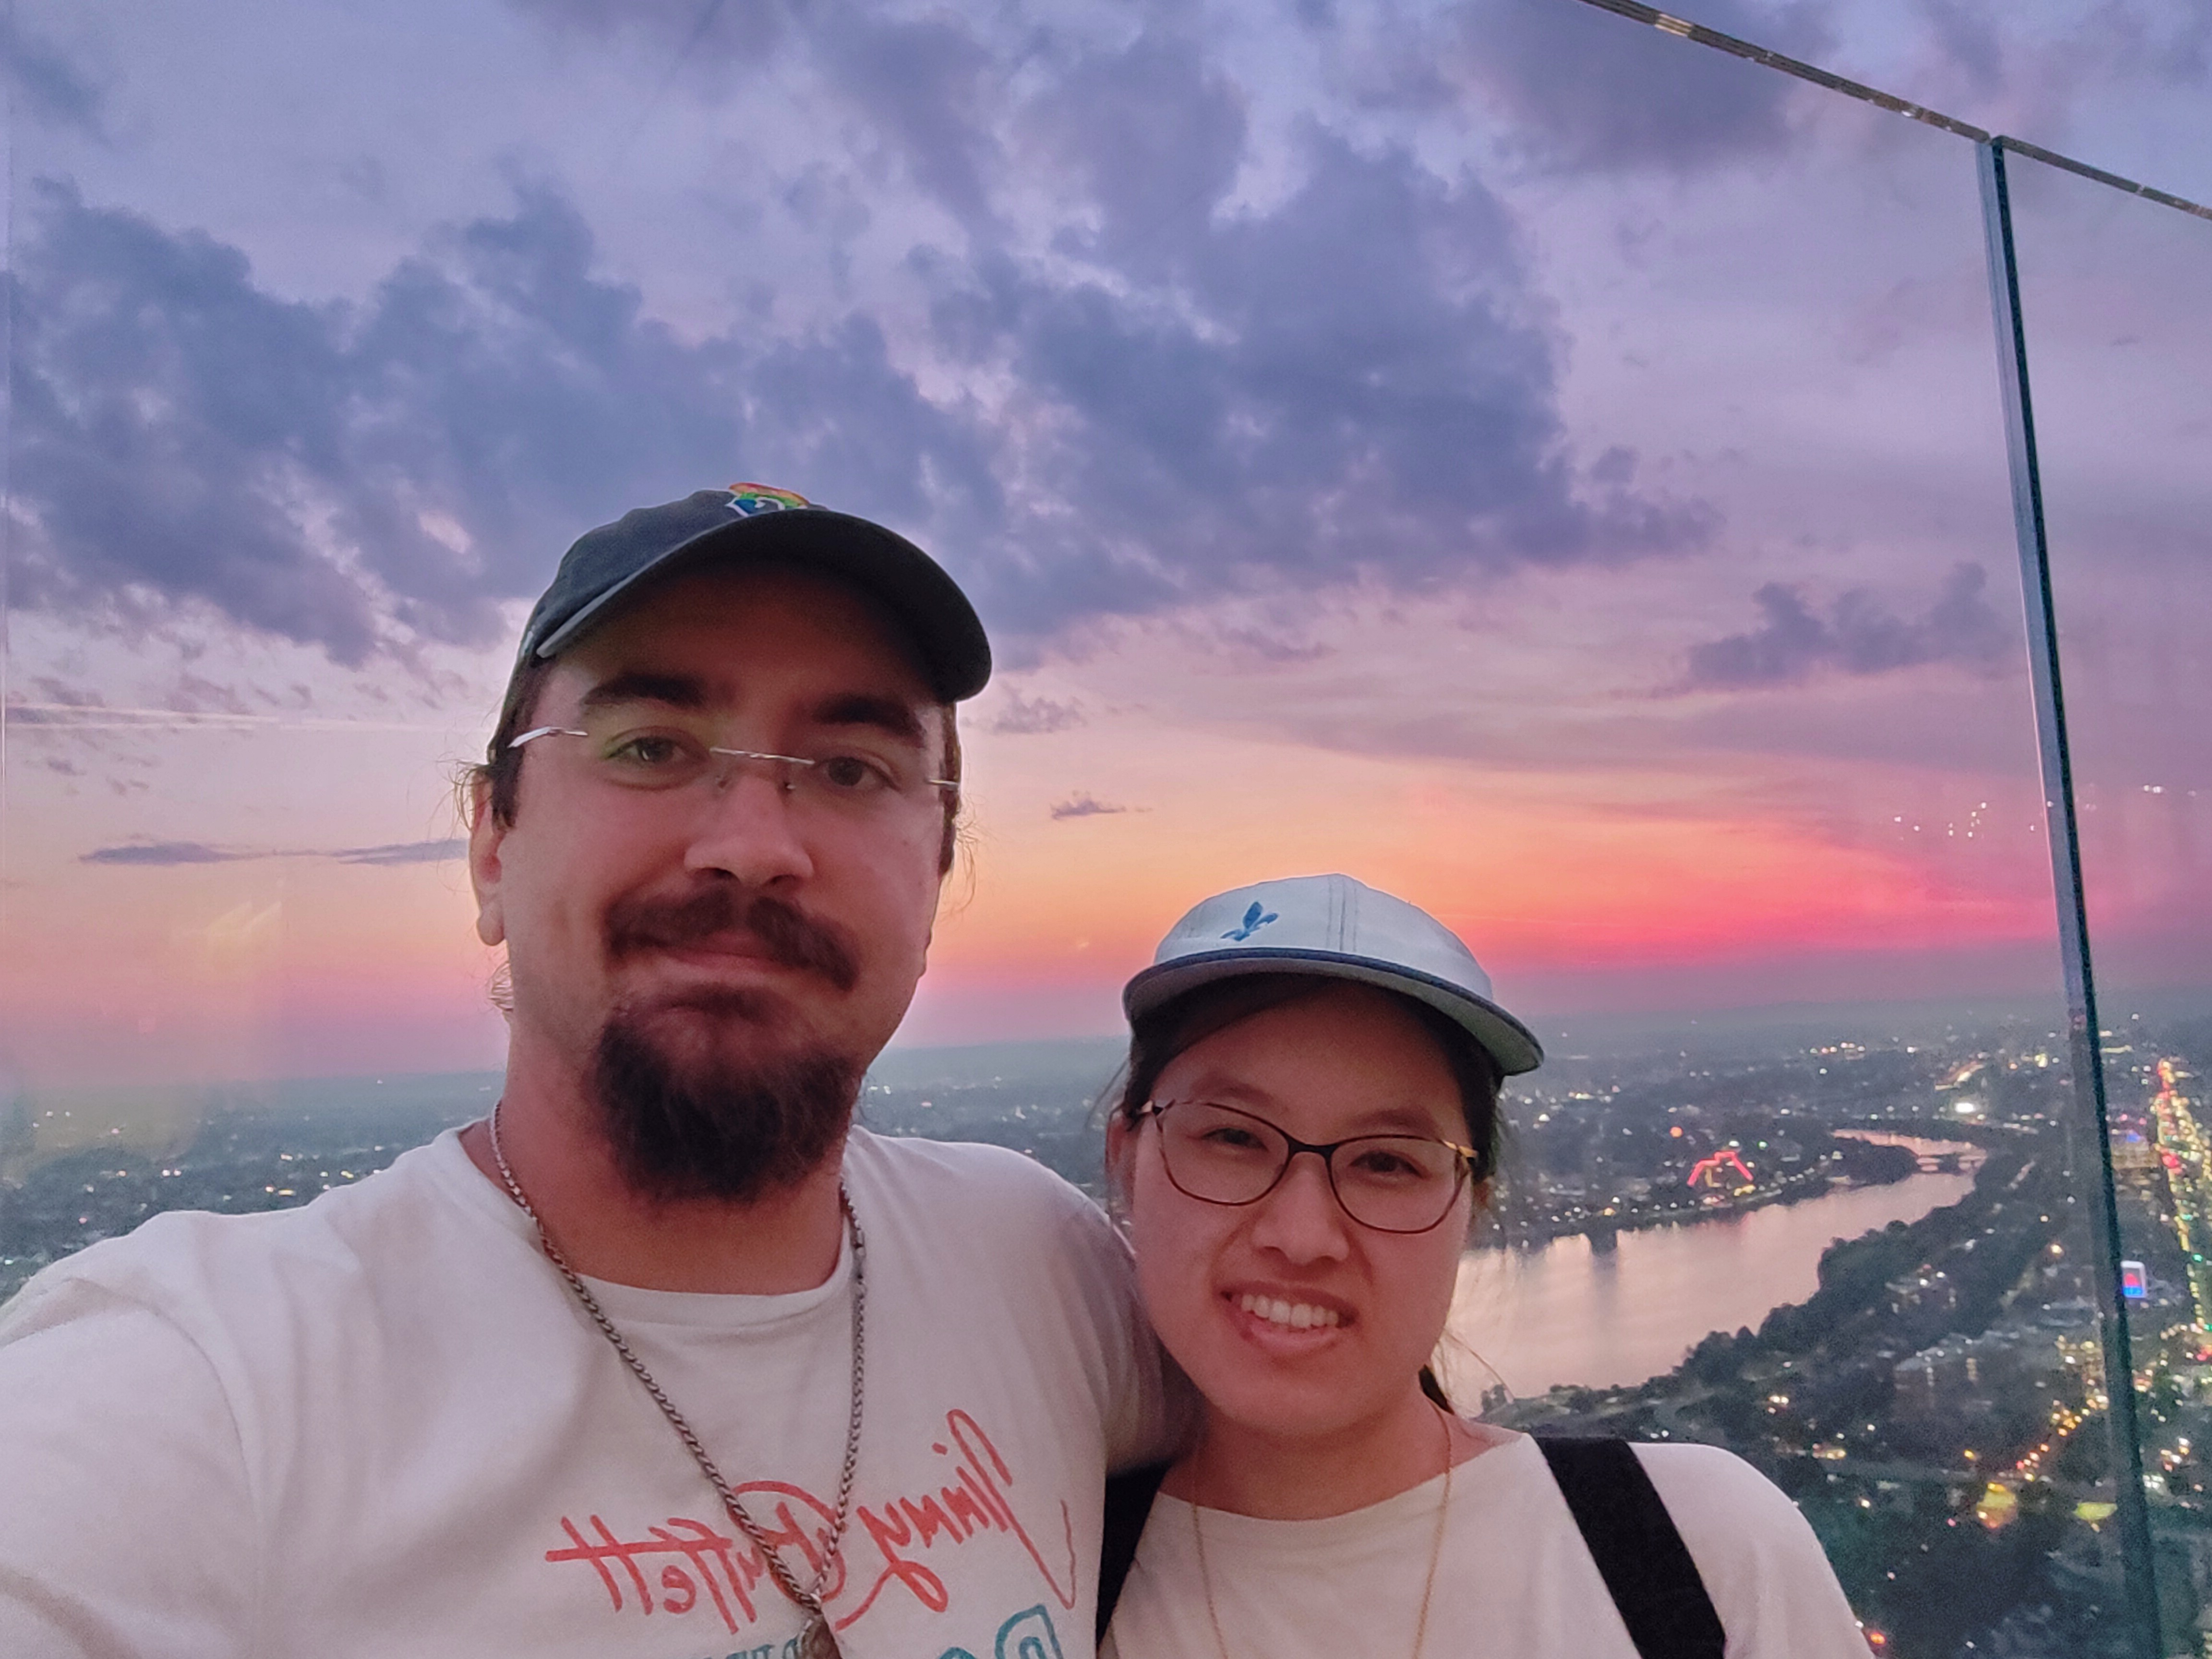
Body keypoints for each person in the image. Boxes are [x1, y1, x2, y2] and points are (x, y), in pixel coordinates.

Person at [0, 484, 1165, 1659]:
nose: (754, 848)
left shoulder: (1040, 1267)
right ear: (493, 846)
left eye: (852, 769)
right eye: (649, 747)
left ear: (935, 876)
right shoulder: (210, 1392)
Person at [1097, 873, 1870, 1658]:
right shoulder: (1035, 1582)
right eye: (1233, 1138)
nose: (1301, 1235)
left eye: (1388, 1163)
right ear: (1125, 1161)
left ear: (1473, 1205)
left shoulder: (1700, 1557)